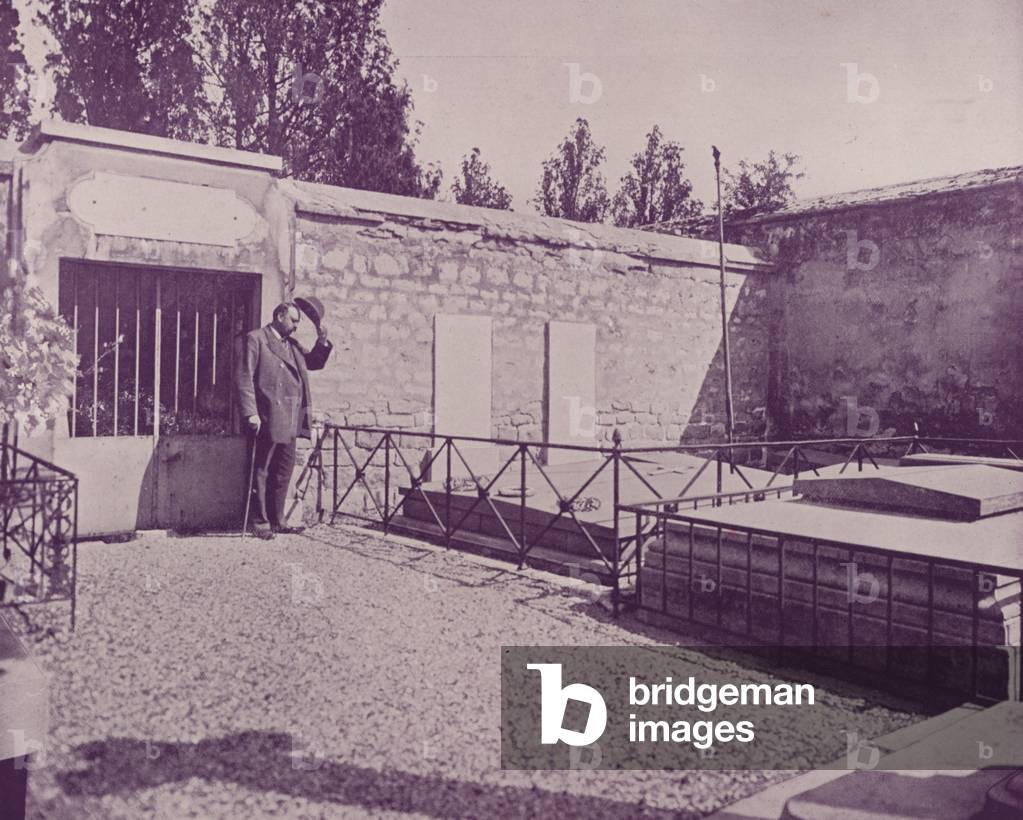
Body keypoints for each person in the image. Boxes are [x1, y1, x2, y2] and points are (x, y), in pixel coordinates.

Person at [235, 301, 332, 539]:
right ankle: (260, 523)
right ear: (279, 316)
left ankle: (279, 520)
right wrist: (251, 412)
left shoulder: (292, 344)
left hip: (291, 416)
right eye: (293, 320)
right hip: (267, 416)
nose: (296, 326)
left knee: (283, 471)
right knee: (262, 471)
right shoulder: (256, 339)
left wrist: (322, 341)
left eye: (297, 321)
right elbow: (244, 377)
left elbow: (314, 363)